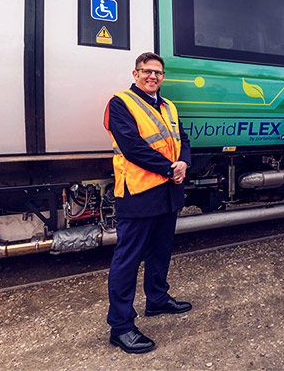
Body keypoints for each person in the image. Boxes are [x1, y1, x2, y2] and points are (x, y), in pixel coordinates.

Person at [103, 52, 192, 354]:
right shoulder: (120, 103)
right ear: (135, 73)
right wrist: (170, 168)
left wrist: (183, 163)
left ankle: (157, 299)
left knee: (160, 252)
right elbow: (131, 147)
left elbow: (184, 140)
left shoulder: (169, 106)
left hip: (168, 192)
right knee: (127, 260)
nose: (153, 76)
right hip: (138, 194)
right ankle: (121, 326)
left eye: (158, 72)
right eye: (147, 71)